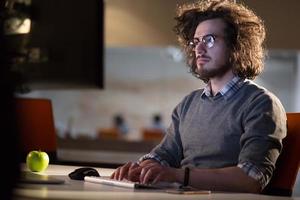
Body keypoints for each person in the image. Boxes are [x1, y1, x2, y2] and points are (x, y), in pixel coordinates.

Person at [111, 0, 287, 193]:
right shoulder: (188, 103)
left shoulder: (261, 103)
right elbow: (164, 154)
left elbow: (251, 179)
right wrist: (140, 168)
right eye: (195, 41)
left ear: (237, 45)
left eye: (209, 39)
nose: (199, 49)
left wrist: (178, 175)